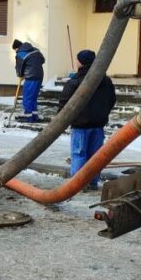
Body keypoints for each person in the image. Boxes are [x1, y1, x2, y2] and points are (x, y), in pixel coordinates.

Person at [58, 49, 116, 190]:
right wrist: (102, 114)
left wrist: (62, 120)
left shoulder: (75, 82)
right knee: (95, 156)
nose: (76, 62)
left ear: (82, 63)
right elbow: (112, 100)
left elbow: (64, 103)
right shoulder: (105, 80)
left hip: (80, 127)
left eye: (78, 59)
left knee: (79, 155)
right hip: (98, 126)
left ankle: (77, 185)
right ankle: (93, 182)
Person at [12, 39, 45, 123]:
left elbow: (19, 68)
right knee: (33, 97)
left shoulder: (20, 54)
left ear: (17, 48)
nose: (16, 52)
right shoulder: (35, 49)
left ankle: (29, 118)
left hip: (31, 77)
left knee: (27, 98)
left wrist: (20, 75)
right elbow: (42, 60)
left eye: (15, 50)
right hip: (40, 75)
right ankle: (35, 116)